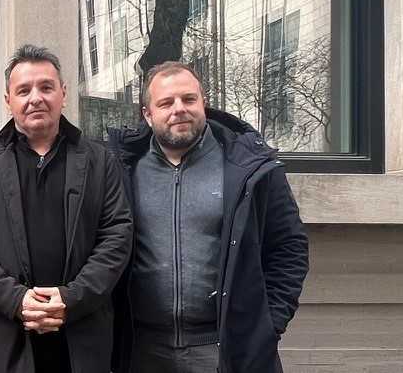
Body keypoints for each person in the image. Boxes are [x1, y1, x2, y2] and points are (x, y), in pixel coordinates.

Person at [108, 61, 309, 373]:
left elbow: (289, 248)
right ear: (148, 114)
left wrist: (268, 324)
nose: (179, 109)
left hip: (224, 349)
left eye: (189, 99)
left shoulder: (249, 167)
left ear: (204, 103)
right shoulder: (121, 169)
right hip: (141, 349)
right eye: (166, 103)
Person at [0, 44, 133, 373]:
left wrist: (72, 298)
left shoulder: (100, 161)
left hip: (80, 334)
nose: (36, 98)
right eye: (24, 90)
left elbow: (116, 236)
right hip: (3, 334)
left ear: (63, 93)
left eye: (46, 87)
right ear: (8, 100)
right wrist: (15, 299)